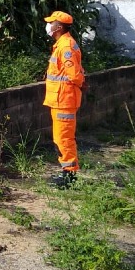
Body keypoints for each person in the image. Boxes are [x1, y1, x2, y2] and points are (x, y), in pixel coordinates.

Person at [43, 10, 85, 188]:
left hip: (64, 100)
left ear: (58, 27)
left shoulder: (66, 47)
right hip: (61, 100)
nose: (48, 25)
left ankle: (69, 177)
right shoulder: (63, 44)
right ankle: (68, 173)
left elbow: (75, 75)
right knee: (61, 138)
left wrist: (79, 83)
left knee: (64, 139)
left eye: (51, 22)